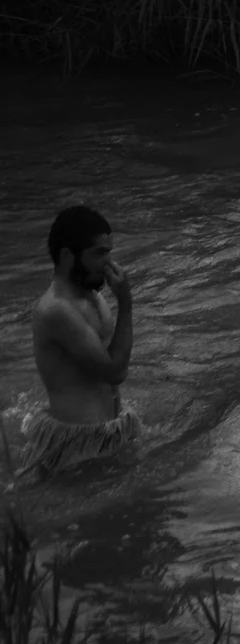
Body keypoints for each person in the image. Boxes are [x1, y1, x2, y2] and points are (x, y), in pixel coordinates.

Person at [21, 206, 143, 480]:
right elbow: (116, 371)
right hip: (75, 445)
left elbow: (111, 371)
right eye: (99, 253)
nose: (110, 263)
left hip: (111, 429)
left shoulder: (94, 297)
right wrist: (126, 304)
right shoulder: (55, 311)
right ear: (67, 256)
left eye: (109, 251)